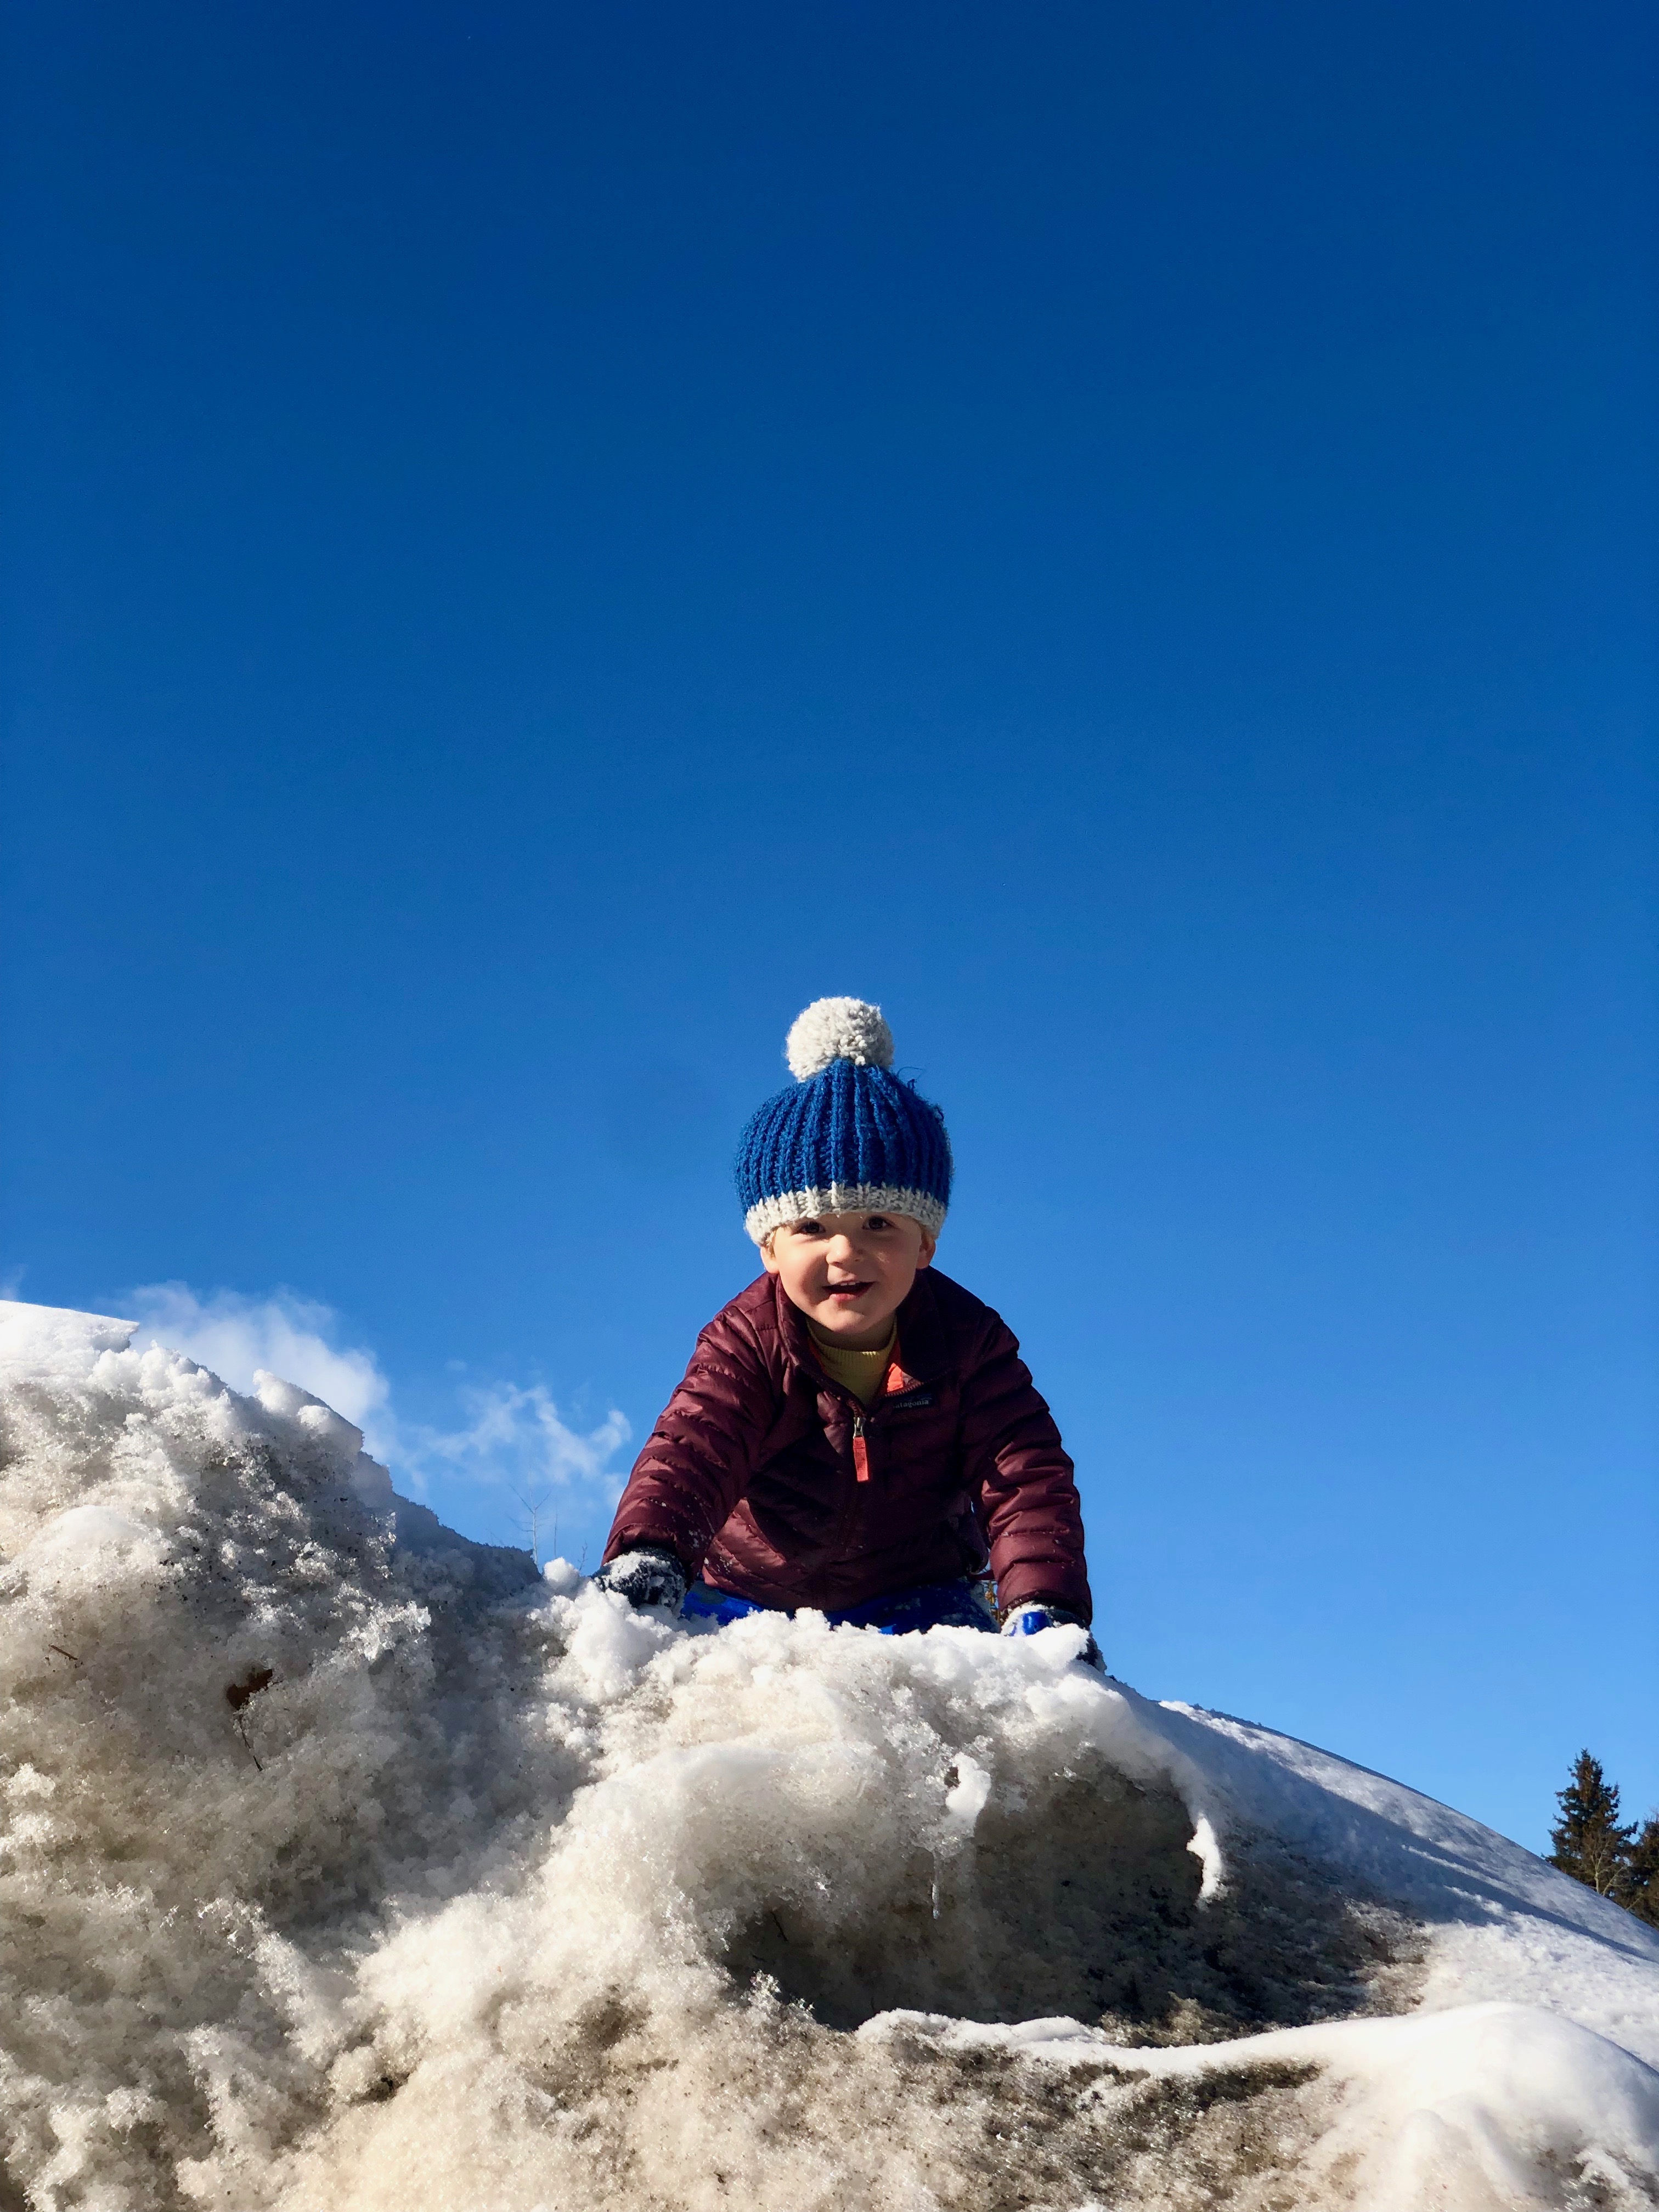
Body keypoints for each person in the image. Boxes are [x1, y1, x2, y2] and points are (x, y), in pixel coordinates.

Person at [595, 996, 1101, 1665]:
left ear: (926, 1243)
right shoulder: (748, 1340)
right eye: (812, 1227)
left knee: (966, 1690)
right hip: (748, 1594)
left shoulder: (967, 1344)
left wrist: (1046, 1605)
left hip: (913, 1597)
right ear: (769, 1250)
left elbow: (1023, 1477)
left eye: (878, 1225)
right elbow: (695, 1449)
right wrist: (653, 1552)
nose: (845, 1253)